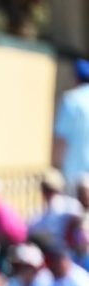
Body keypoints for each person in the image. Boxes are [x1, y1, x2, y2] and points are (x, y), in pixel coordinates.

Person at [54, 59, 89, 190]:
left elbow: (62, 139)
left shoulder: (72, 100)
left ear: (76, 78)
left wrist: (56, 167)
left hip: (73, 175)